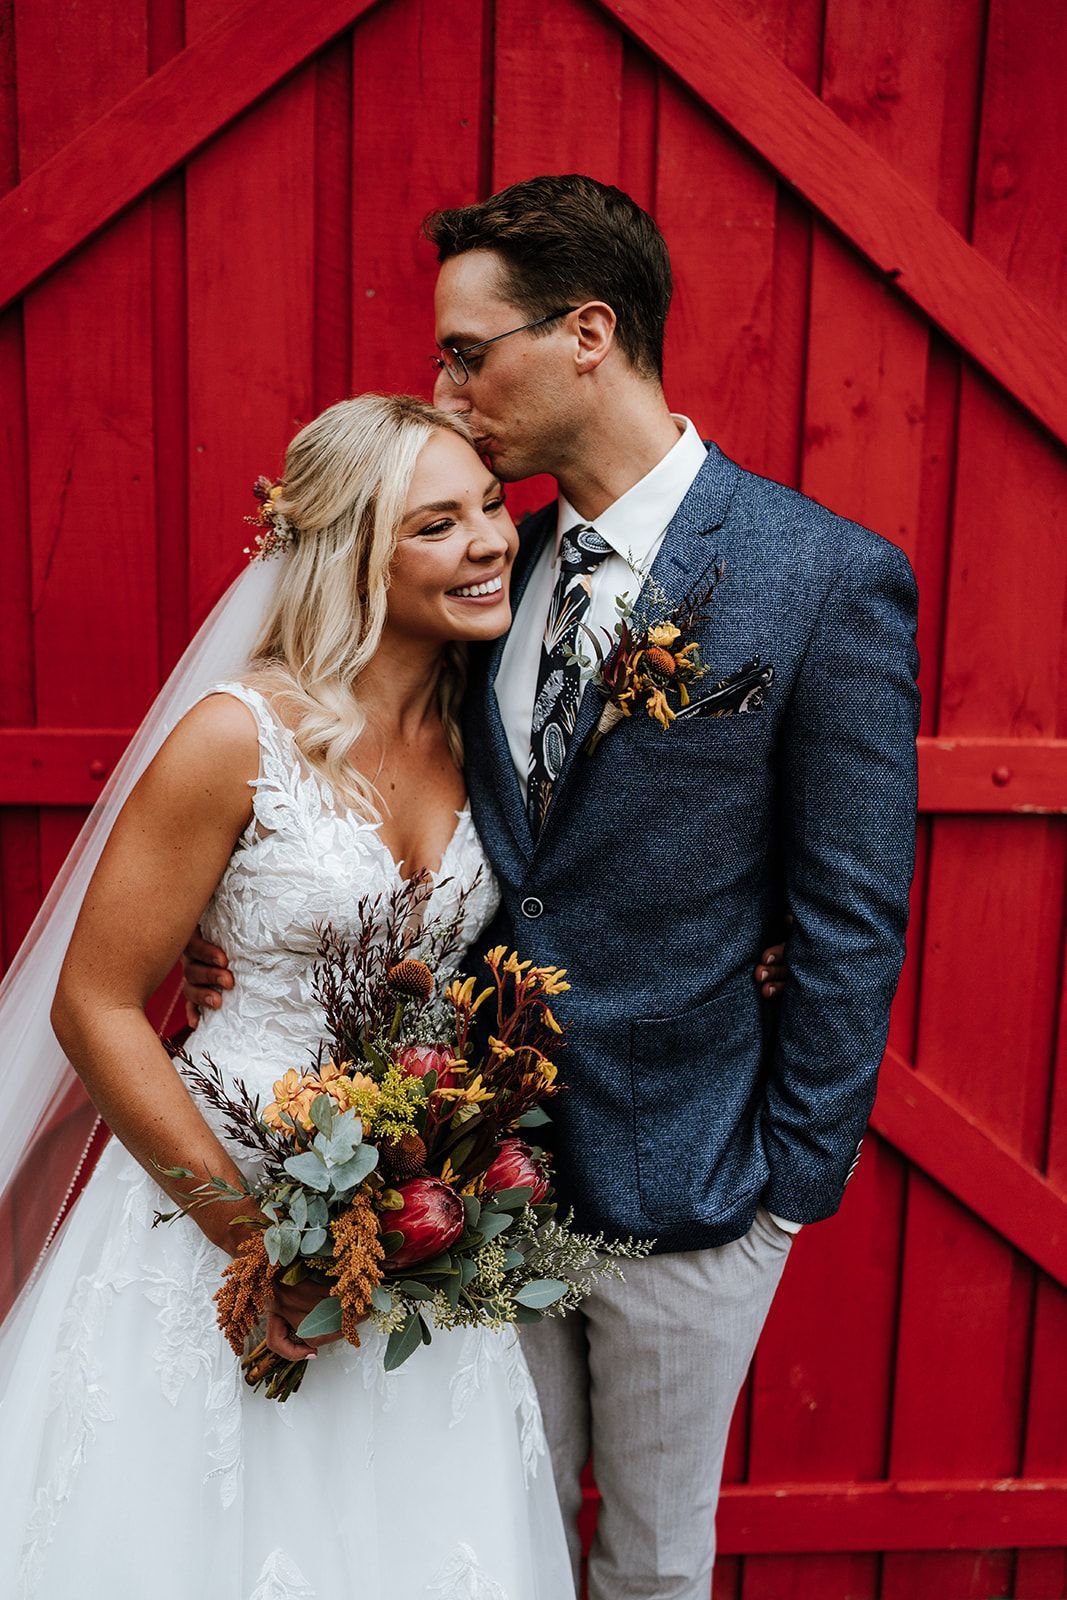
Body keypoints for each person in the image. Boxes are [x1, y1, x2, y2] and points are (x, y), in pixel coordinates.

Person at [186, 174, 920, 1600]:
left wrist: (785, 1191)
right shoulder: (481, 567)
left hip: (692, 1184)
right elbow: (358, 779)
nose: (442, 386)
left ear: (586, 334)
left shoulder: (822, 580)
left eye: (467, 350)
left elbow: (851, 913)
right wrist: (237, 942)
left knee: (647, 1569)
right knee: (488, 1549)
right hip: (461, 1185)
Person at [0, 395, 578, 1599]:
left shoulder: (491, 736)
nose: (488, 542)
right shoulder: (236, 736)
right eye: (437, 524)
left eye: (489, 508)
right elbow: (95, 1001)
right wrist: (256, 1241)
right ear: (353, 554)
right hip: (213, 1199)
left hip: (417, 1228)